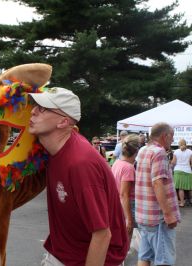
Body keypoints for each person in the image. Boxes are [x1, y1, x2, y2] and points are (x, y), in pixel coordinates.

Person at [28, 87, 128, 266]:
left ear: (63, 122)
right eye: (35, 105)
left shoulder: (80, 164)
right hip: (62, 254)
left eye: (42, 108)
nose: (33, 111)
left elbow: (103, 234)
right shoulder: (53, 149)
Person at [135, 122, 180, 266]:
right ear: (164, 136)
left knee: (144, 256)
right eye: (172, 136)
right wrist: (168, 214)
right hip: (158, 217)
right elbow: (157, 183)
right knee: (164, 260)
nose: (173, 140)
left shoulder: (143, 150)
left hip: (144, 214)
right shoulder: (159, 153)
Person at [111, 134, 139, 251]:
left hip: (116, 203)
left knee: (118, 238)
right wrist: (129, 218)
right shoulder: (128, 167)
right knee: (125, 240)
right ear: (136, 150)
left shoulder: (117, 163)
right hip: (126, 205)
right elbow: (124, 194)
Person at [171, 138, 192, 207]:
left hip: (178, 171)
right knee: (190, 188)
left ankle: (182, 203)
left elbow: (173, 162)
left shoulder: (176, 152)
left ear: (179, 144)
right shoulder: (190, 151)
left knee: (180, 188)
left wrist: (170, 164)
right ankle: (191, 201)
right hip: (188, 171)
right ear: (185, 143)